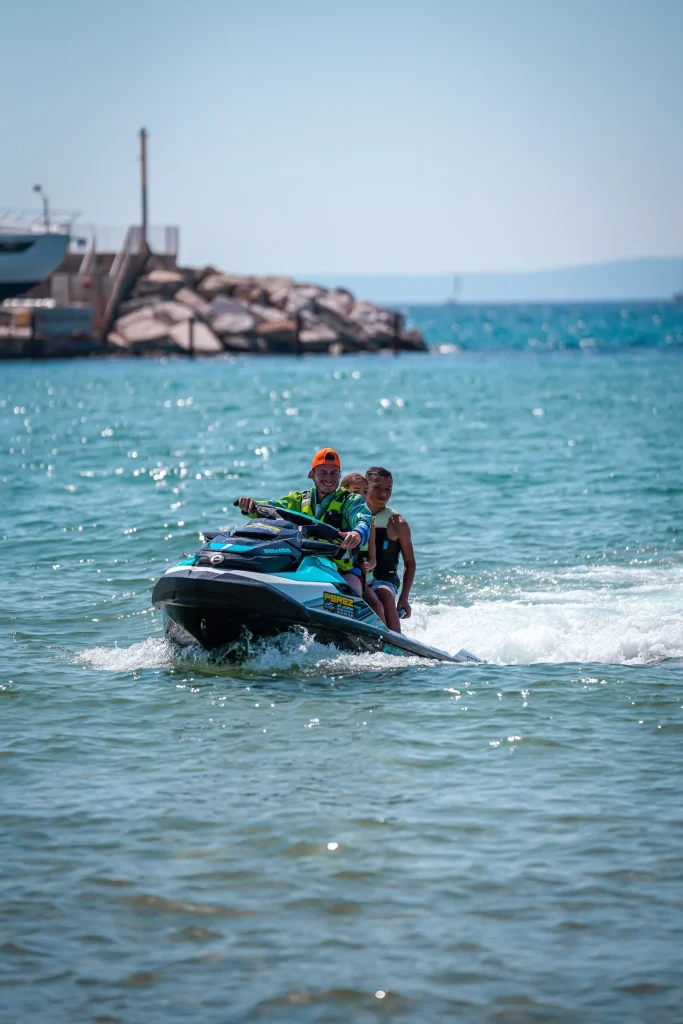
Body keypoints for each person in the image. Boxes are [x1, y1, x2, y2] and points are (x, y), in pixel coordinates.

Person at [237, 448, 372, 597]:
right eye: (323, 472)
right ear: (311, 475)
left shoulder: (351, 501)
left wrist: (357, 533)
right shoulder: (298, 500)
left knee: (352, 593)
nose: (329, 478)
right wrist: (250, 505)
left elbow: (363, 518)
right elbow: (272, 507)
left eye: (334, 473)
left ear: (340, 475)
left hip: (342, 569)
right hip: (304, 564)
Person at [365, 466, 415, 633]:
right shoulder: (353, 516)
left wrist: (403, 599)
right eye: (377, 488)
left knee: (384, 595)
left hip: (384, 581)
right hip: (359, 578)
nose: (384, 494)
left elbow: (410, 563)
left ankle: (395, 641)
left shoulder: (397, 523)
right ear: (366, 487)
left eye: (388, 489)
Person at [340, 471, 385, 624]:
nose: (361, 495)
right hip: (332, 567)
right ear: (344, 491)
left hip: (355, 570)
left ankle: (389, 639)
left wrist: (369, 565)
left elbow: (373, 559)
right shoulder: (335, 512)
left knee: (377, 604)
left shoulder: (367, 521)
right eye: (356, 491)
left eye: (365, 491)